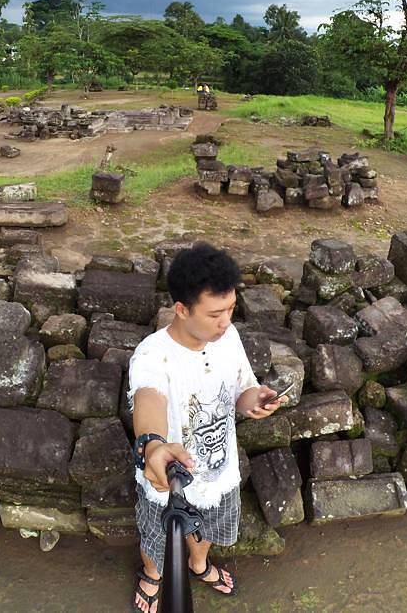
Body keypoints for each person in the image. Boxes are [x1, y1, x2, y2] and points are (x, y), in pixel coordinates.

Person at [129, 243, 287, 612]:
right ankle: (153, 573)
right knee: (156, 536)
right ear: (181, 310)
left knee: (209, 530)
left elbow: (242, 391)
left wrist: (257, 400)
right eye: (215, 313)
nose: (226, 321)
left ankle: (198, 565)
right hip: (168, 480)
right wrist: (153, 446)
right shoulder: (152, 356)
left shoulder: (227, 338)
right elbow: (148, 400)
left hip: (218, 472)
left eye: (231, 309)